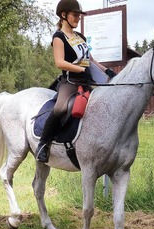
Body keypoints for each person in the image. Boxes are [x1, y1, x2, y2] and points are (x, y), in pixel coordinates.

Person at [36, 0, 116, 163]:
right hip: (70, 82)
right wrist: (79, 69)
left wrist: (106, 70)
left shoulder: (81, 37)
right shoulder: (58, 37)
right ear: (63, 15)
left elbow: (90, 60)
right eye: (75, 15)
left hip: (87, 81)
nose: (78, 18)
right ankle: (43, 144)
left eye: (79, 16)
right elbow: (59, 62)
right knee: (59, 109)